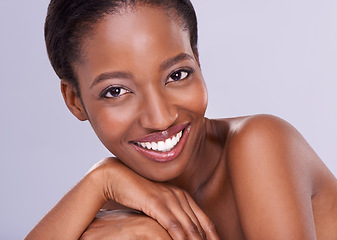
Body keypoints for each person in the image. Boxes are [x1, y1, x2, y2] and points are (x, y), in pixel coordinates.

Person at [26, 0, 337, 239]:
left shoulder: (259, 143)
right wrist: (99, 182)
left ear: (197, 61)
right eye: (116, 91)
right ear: (74, 100)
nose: (160, 118)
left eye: (177, 74)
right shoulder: (121, 205)